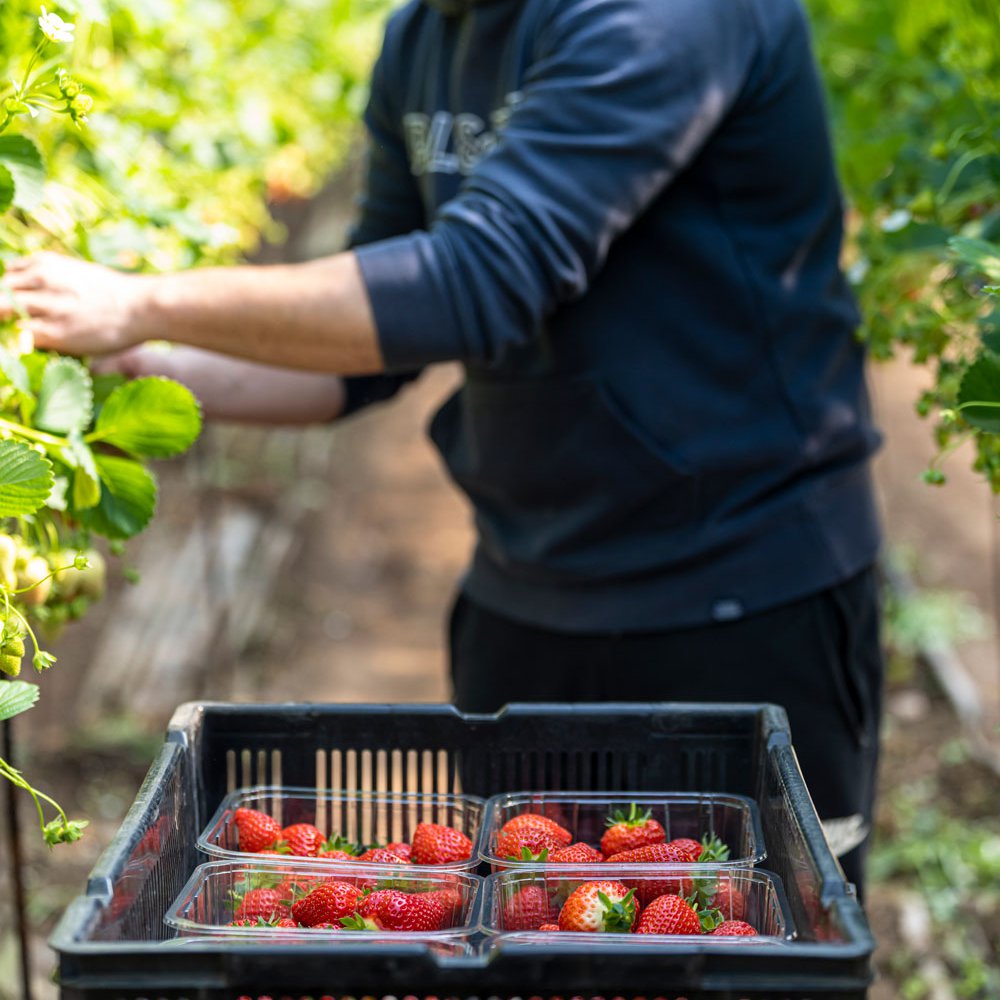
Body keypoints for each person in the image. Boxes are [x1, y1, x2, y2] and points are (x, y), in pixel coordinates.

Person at [0, 0, 883, 894]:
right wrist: (136, 360)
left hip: (740, 591)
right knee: (529, 921)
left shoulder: (665, 15)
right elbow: (362, 353)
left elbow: (481, 277)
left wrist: (144, 298)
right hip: (528, 587)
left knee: (750, 921)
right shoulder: (424, 35)